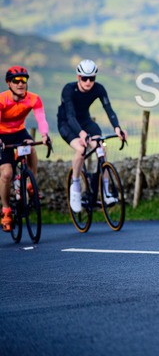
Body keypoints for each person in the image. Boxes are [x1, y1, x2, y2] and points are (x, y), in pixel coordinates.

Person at [58, 59, 127, 214]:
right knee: (81, 148)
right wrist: (81, 134)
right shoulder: (68, 90)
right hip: (67, 123)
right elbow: (70, 115)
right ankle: (75, 187)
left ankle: (105, 191)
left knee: (101, 148)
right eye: (84, 78)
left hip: (85, 121)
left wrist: (117, 128)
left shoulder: (99, 89)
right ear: (78, 77)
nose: (88, 82)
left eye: (92, 78)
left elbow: (109, 109)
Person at [0, 67, 52, 232]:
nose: (21, 83)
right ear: (9, 83)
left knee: (30, 148)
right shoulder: (2, 99)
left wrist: (44, 135)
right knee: (7, 174)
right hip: (2, 135)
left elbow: (41, 119)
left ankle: (31, 183)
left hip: (19, 132)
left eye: (24, 80)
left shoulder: (33, 99)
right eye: (16, 80)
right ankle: (6, 210)